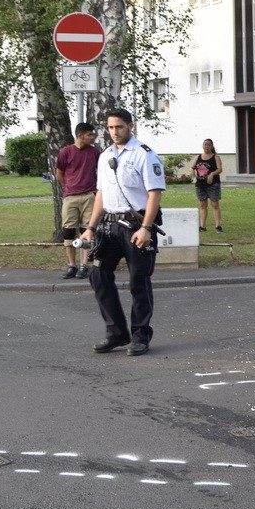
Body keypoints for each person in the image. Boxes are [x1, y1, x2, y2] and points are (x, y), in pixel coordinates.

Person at [78, 109, 166, 357]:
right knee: (97, 274)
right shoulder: (105, 155)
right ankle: (116, 332)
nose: (114, 132)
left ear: (130, 126)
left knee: (139, 281)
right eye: (110, 128)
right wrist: (90, 229)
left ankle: (140, 336)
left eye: (119, 127)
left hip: (137, 227)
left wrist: (147, 228)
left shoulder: (144, 155)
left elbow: (154, 193)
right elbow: (101, 195)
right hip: (109, 227)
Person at [55, 122, 100, 279]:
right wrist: (69, 185)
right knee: (68, 231)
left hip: (89, 196)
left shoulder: (94, 152)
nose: (92, 137)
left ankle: (84, 265)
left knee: (86, 231)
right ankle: (71, 265)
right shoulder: (65, 152)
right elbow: (59, 172)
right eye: (89, 134)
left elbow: (100, 171)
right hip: (71, 197)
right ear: (80, 135)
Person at [189, 138, 224, 233]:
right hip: (200, 185)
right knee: (202, 205)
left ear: (212, 146)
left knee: (215, 204)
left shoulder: (215, 157)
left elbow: (220, 169)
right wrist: (192, 171)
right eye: (205, 144)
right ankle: (202, 226)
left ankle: (218, 226)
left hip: (213, 184)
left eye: (209, 145)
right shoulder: (198, 157)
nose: (207, 146)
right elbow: (192, 167)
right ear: (202, 146)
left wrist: (212, 174)